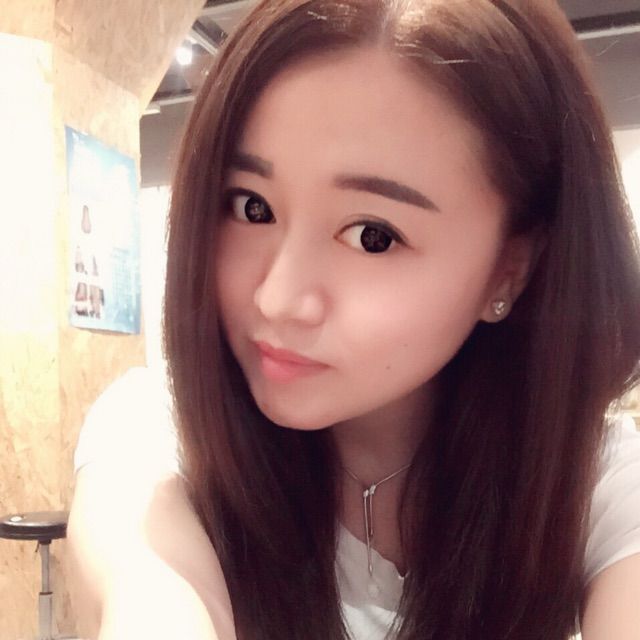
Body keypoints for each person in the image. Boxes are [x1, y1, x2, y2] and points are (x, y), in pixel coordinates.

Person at [67, 0, 640, 638]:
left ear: (511, 269)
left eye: (373, 236)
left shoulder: (590, 480)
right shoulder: (159, 432)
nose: (277, 299)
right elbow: (148, 586)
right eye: (253, 207)